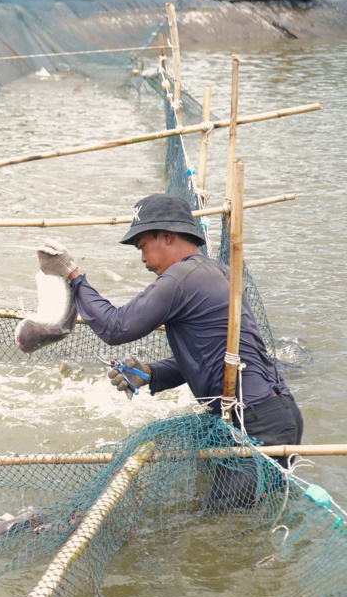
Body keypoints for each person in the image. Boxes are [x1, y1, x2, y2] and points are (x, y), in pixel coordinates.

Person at [37, 193, 304, 511]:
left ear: (166, 236)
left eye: (143, 246)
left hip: (255, 424)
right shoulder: (217, 272)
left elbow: (115, 327)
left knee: (218, 530)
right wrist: (151, 373)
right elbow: (211, 356)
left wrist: (72, 276)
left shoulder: (179, 279)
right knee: (257, 519)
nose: (142, 258)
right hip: (278, 414)